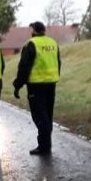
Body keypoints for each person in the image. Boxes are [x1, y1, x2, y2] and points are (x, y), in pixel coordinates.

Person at [13, 21, 61, 155]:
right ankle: (46, 144)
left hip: (36, 85)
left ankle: (44, 146)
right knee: (47, 114)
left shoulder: (31, 44)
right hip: (51, 83)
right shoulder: (53, 43)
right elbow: (58, 62)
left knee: (40, 116)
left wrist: (18, 85)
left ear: (33, 30)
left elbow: (24, 67)